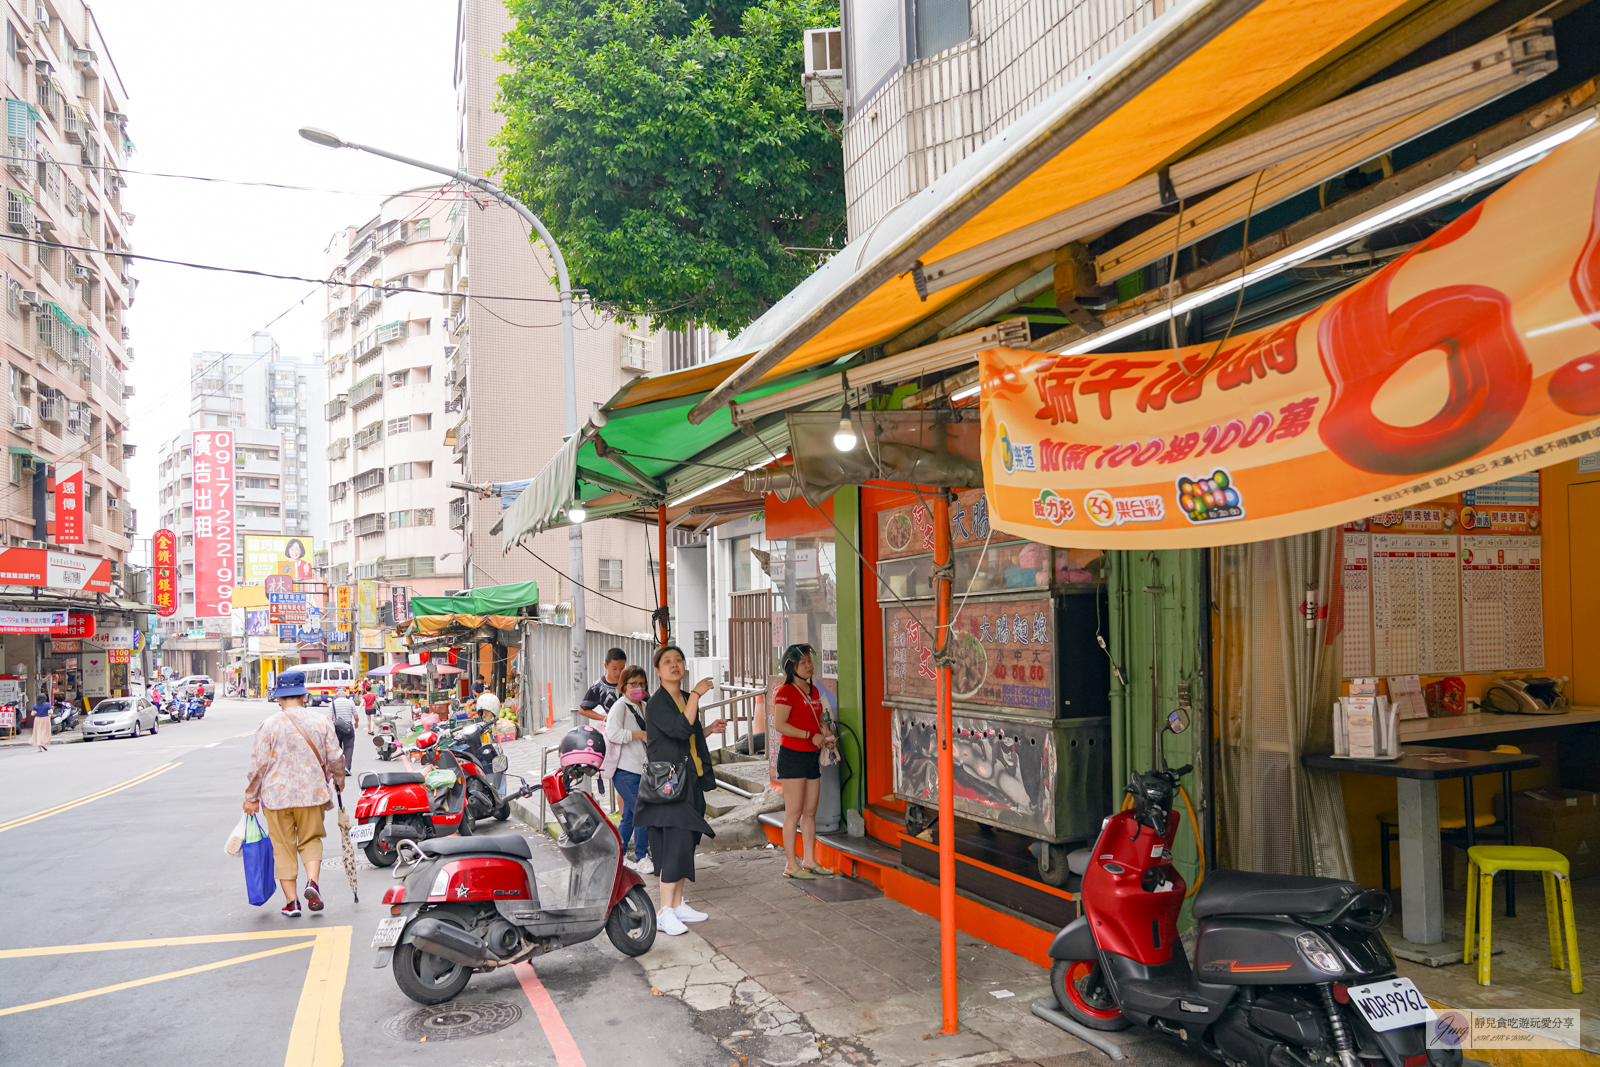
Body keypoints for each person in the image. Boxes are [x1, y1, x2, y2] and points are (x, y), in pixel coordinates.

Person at [634, 646, 725, 936]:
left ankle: (677, 904)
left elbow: (690, 734)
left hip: (691, 781)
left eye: (679, 661)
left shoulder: (685, 698)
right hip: (669, 785)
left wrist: (708, 729)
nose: (675, 665)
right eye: (667, 662)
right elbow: (678, 730)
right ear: (658, 671)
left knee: (687, 842)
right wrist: (697, 695)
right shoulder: (659, 701)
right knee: (673, 843)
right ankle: (664, 911)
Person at [242, 670, 346, 917]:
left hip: (276, 799)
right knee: (311, 840)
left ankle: (292, 903)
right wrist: (339, 782)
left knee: (283, 847)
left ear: (279, 698)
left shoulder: (269, 725)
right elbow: (336, 757)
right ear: (303, 694)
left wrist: (251, 797)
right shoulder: (321, 722)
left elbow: (258, 765)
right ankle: (312, 882)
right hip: (312, 794)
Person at [772, 644, 837, 879]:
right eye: (804, 663)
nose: (809, 666)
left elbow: (818, 718)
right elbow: (781, 726)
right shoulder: (785, 692)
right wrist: (811, 735)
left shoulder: (814, 690)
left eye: (810, 661)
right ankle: (791, 864)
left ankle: (809, 860)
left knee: (810, 812)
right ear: (792, 668)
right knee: (794, 812)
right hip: (792, 756)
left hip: (812, 755)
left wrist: (825, 733)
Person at [604, 665, 653, 874]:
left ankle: (618, 856)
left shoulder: (644, 705)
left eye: (642, 683)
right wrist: (639, 734)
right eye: (633, 684)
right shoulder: (620, 707)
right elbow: (612, 733)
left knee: (630, 816)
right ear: (623, 686)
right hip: (624, 771)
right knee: (643, 811)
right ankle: (642, 857)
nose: (638, 687)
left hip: (641, 769)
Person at [578, 648, 627, 723]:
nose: (618, 672)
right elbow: (583, 710)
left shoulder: (631, 681)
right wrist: (605, 718)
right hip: (615, 729)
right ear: (606, 665)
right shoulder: (598, 686)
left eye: (622, 668)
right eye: (614, 668)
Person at [330, 687, 358, 770]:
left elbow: (329, 718)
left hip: (336, 729)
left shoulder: (333, 703)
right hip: (348, 728)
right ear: (346, 694)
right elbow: (356, 716)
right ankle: (346, 767)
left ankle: (339, 767)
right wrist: (356, 723)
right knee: (349, 747)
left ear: (336, 694)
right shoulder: (350, 702)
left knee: (337, 748)